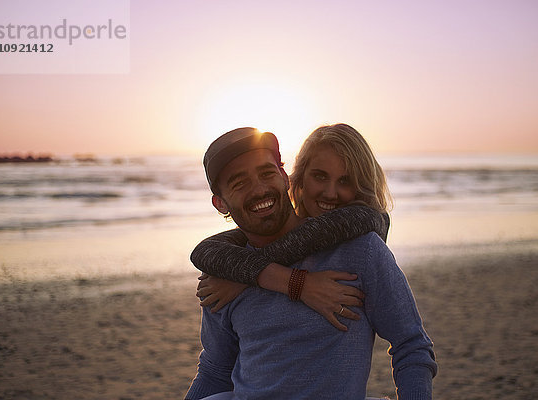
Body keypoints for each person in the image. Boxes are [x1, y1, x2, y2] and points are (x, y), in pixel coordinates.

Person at [185, 127, 437, 399]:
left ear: (284, 177)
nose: (259, 189)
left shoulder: (360, 251)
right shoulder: (224, 276)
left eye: (267, 173)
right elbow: (215, 370)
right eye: (239, 183)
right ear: (220, 203)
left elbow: (411, 346)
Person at [192, 124, 392, 331]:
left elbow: (410, 343)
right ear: (298, 178)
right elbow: (204, 251)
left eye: (346, 181)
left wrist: (248, 277)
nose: (331, 194)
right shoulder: (236, 259)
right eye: (320, 176)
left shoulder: (365, 235)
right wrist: (292, 282)